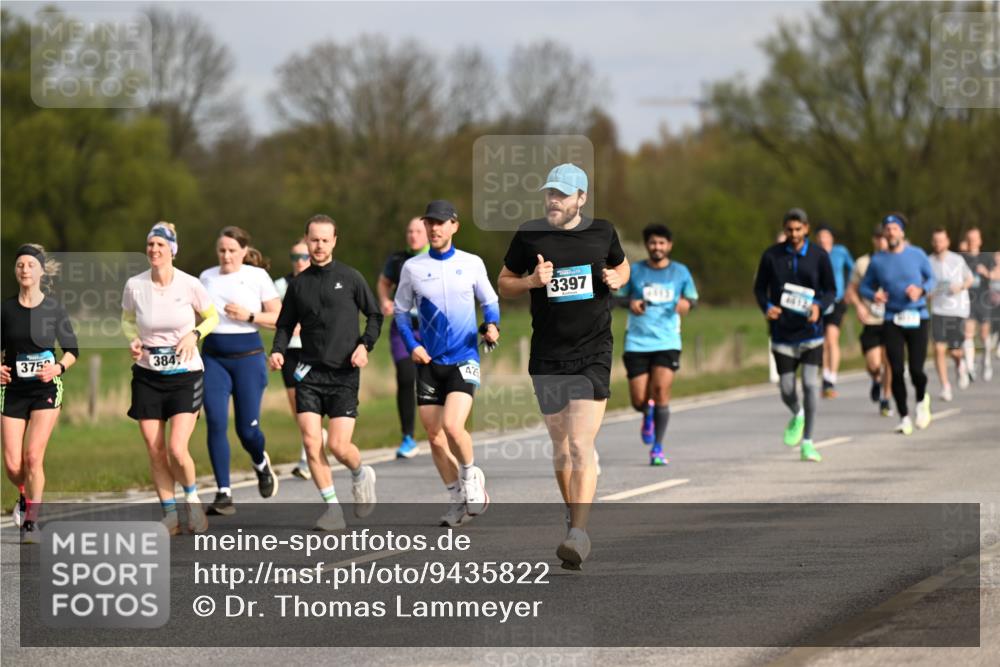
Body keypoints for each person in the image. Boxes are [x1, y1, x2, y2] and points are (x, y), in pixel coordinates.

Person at [498, 163, 630, 570]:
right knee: (560, 448)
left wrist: (618, 277)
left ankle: (579, 533)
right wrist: (532, 282)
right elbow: (504, 281)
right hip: (548, 354)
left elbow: (623, 265)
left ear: (581, 199)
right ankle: (573, 513)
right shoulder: (530, 233)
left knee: (578, 444)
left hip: (593, 352)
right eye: (549, 193)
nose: (553, 200)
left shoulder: (602, 232)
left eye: (561, 194)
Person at [269, 214, 382, 531]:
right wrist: (278, 350)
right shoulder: (298, 285)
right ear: (306, 241)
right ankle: (332, 509)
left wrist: (365, 345)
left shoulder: (350, 277)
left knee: (338, 446)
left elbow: (374, 315)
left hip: (344, 374)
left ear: (334, 241)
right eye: (313, 240)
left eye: (324, 240)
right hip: (309, 374)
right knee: (310, 441)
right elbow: (285, 325)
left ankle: (360, 473)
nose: (318, 246)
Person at [393, 200, 500, 527]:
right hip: (429, 361)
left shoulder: (471, 263)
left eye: (441, 223)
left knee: (454, 427)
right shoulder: (413, 268)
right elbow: (399, 312)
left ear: (454, 226)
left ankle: (471, 478)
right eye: (430, 223)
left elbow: (490, 302)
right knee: (435, 436)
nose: (434, 228)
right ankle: (456, 498)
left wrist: (492, 325)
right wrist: (412, 345)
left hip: (463, 358)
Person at [122, 222, 219, 535]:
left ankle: (191, 500)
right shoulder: (135, 285)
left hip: (185, 375)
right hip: (148, 375)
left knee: (177, 448)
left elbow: (213, 317)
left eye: (160, 246)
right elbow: (126, 320)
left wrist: (194, 334)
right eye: (150, 245)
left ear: (172, 251)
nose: (154, 250)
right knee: (155, 449)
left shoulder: (189, 284)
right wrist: (133, 340)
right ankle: (170, 514)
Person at [199, 227, 282, 515]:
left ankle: (260, 462)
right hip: (213, 360)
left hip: (248, 359)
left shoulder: (256, 277)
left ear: (244, 251)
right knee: (216, 422)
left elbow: (280, 317)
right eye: (222, 250)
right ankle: (224, 492)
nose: (226, 256)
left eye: (232, 250)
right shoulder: (206, 277)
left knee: (247, 430)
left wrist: (248, 315)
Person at [2, 245, 79, 543]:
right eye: (20, 264)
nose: (24, 270)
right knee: (12, 465)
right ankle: (23, 495)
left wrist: (57, 368)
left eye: (30, 265)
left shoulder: (54, 308)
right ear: (16, 270)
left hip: (46, 388)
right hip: (12, 391)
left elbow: (73, 351)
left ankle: (31, 522)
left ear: (41, 271)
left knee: (33, 456)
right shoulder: (5, 309)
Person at [752, 208, 835, 463]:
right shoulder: (771, 256)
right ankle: (797, 413)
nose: (794, 234)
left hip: (811, 333)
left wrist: (819, 306)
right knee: (787, 388)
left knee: (810, 385)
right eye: (790, 229)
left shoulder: (819, 256)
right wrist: (768, 307)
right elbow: (759, 289)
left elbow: (831, 290)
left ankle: (808, 442)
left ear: (806, 229)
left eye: (799, 229)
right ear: (785, 229)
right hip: (782, 334)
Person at [622, 224, 698, 466]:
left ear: (669, 245)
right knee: (638, 400)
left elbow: (692, 299)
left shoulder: (680, 272)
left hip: (667, 341)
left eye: (662, 243)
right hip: (637, 341)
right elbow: (616, 296)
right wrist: (630, 302)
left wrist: (687, 304)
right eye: (653, 243)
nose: (657, 247)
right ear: (647, 245)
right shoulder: (635, 271)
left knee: (661, 392)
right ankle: (646, 414)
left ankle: (657, 447)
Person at [859, 213, 936, 435]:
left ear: (902, 232)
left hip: (917, 316)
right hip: (892, 319)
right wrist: (875, 295)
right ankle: (904, 416)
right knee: (896, 369)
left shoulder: (917, 254)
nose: (891, 232)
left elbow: (932, 280)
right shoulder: (878, 261)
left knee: (916, 370)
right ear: (884, 233)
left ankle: (922, 400)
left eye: (894, 228)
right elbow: (864, 287)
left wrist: (920, 290)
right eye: (887, 229)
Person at [273, 238, 328, 480]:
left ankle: (307, 459)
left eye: (304, 257)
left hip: (313, 351)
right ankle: (315, 442)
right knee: (298, 408)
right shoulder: (281, 285)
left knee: (309, 407)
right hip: (291, 352)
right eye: (295, 258)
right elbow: (274, 316)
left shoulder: (322, 281)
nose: (300, 262)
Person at [377, 217, 429, 459]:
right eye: (409, 231)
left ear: (427, 233)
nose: (413, 235)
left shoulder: (437, 257)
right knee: (407, 378)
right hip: (403, 327)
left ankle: (439, 428)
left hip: (432, 329)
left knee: (432, 379)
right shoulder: (397, 259)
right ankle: (408, 436)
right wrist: (385, 301)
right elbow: (383, 282)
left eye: (418, 231)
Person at [845, 227, 893, 416]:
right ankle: (876, 379)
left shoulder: (896, 260)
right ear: (873, 240)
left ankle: (886, 398)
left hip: (891, 319)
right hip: (871, 320)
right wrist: (859, 306)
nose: (882, 241)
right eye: (878, 238)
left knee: (889, 361)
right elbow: (851, 290)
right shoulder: (863, 263)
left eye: (885, 238)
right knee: (873, 364)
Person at [928, 228, 974, 402]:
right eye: (935, 241)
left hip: (957, 310)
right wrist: (929, 293)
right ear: (933, 243)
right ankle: (945, 386)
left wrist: (960, 287)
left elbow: (969, 279)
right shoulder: (928, 261)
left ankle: (960, 365)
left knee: (955, 352)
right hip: (938, 311)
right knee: (939, 349)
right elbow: (924, 284)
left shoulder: (957, 260)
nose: (938, 244)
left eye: (941, 241)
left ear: (947, 242)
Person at [814, 225, 855, 398]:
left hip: (837, 300)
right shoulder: (814, 254)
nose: (823, 240)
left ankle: (832, 377)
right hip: (819, 301)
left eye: (826, 237)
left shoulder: (841, 252)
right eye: (820, 237)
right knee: (822, 342)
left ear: (832, 238)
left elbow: (854, 270)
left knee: (832, 338)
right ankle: (826, 378)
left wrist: (849, 290)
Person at [962, 228, 994, 383]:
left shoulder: (987, 257)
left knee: (983, 335)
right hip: (968, 300)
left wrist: (986, 273)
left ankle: (986, 362)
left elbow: (997, 273)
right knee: (968, 333)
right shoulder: (962, 259)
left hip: (984, 300)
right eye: (969, 238)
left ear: (980, 240)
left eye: (975, 238)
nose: (972, 241)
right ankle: (969, 367)